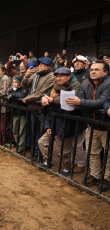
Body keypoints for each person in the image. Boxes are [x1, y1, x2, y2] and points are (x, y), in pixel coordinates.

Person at [66, 60, 110, 191]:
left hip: (106, 125)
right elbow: (79, 98)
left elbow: (102, 102)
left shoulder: (109, 83)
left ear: (106, 72)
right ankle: (95, 175)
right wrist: (80, 102)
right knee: (92, 152)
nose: (93, 71)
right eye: (91, 69)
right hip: (91, 124)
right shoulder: (85, 82)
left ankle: (106, 178)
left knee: (108, 155)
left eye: (97, 69)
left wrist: (81, 102)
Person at [41, 67, 85, 173]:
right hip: (57, 125)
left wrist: (52, 99)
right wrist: (45, 97)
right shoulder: (56, 85)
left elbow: (69, 100)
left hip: (74, 120)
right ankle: (51, 162)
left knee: (74, 145)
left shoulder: (76, 84)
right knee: (46, 142)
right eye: (57, 76)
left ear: (69, 76)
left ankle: (75, 165)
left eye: (61, 76)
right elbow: (48, 94)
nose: (58, 78)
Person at [21, 57, 56, 156]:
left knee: (42, 132)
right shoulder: (36, 74)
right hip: (33, 107)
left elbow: (41, 93)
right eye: (39, 64)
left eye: (42, 64)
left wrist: (27, 99)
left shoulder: (51, 77)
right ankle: (35, 152)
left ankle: (41, 154)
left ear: (49, 66)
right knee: (34, 131)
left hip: (42, 109)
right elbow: (24, 85)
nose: (39, 65)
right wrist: (26, 77)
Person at [38, 84, 74, 176]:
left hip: (62, 132)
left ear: (59, 95)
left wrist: (61, 134)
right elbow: (48, 116)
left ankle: (66, 168)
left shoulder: (66, 106)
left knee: (64, 152)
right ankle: (48, 161)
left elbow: (68, 121)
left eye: (54, 92)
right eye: (52, 91)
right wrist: (48, 127)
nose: (51, 93)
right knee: (41, 142)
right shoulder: (50, 103)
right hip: (52, 128)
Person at [7, 75, 28, 153]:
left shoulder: (24, 89)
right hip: (15, 112)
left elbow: (22, 95)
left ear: (19, 82)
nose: (14, 84)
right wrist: (9, 95)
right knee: (15, 131)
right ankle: (18, 145)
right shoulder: (11, 90)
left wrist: (12, 95)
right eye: (13, 82)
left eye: (16, 82)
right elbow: (8, 99)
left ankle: (21, 148)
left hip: (22, 113)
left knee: (21, 131)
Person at [0, 64, 12, 145]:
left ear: (3, 71)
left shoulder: (5, 78)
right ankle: (3, 141)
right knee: (2, 124)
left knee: (5, 125)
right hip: (1, 105)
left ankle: (8, 141)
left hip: (5, 105)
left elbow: (3, 92)